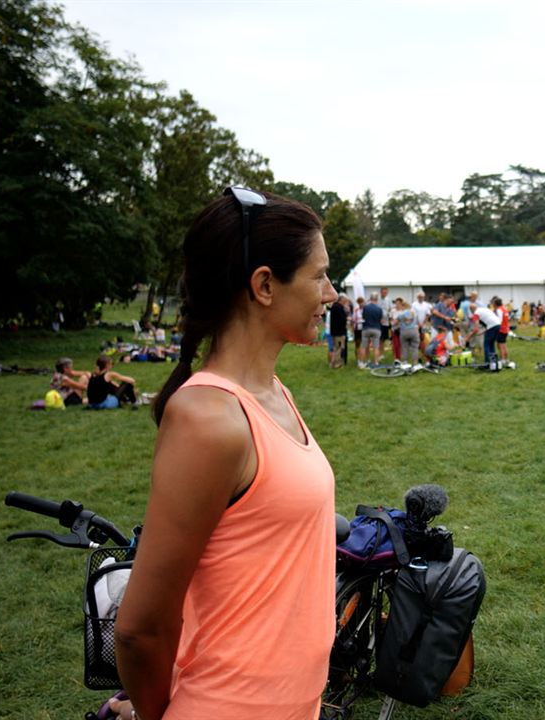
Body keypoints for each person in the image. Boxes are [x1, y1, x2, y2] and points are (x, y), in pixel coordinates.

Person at [111, 188, 337, 720]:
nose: (332, 294)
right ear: (264, 285)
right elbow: (141, 627)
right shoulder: (208, 419)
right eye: (319, 275)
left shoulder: (273, 392)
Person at [394, 296, 422, 366]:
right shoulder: (414, 313)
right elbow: (419, 323)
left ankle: (405, 363)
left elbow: (394, 323)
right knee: (415, 348)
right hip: (414, 331)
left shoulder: (401, 314)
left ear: (403, 306)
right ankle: (415, 363)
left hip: (404, 332)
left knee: (404, 347)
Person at [361, 295, 385, 366]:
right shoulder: (379, 309)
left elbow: (363, 317)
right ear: (376, 300)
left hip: (366, 328)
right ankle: (376, 362)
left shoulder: (365, 307)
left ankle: (363, 362)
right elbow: (381, 319)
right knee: (376, 347)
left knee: (364, 346)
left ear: (370, 299)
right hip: (376, 329)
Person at [327, 293, 349, 369]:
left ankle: (332, 364)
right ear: (342, 300)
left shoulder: (334, 306)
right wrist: (347, 317)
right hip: (339, 332)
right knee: (339, 348)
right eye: (345, 301)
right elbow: (342, 319)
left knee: (336, 348)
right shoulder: (338, 307)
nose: (345, 302)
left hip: (335, 331)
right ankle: (337, 365)